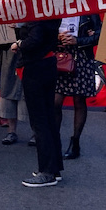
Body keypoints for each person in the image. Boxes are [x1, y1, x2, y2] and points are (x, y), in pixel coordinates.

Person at [13, 18, 62, 187]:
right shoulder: (52, 11)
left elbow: (35, 39)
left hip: (36, 67)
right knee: (48, 118)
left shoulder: (38, 14)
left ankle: (47, 171)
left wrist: (19, 44)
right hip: (47, 63)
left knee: (40, 121)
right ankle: (54, 168)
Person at [54, 14, 101, 160]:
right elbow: (44, 30)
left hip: (81, 58)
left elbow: (99, 35)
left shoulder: (88, 11)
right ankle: (54, 141)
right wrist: (57, 37)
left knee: (79, 101)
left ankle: (75, 141)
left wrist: (78, 41)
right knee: (55, 101)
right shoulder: (57, 6)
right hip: (60, 56)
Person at [0, 41, 26, 145]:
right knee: (7, 87)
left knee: (28, 92)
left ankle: (36, 132)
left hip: (27, 46)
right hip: (8, 48)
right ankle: (11, 131)